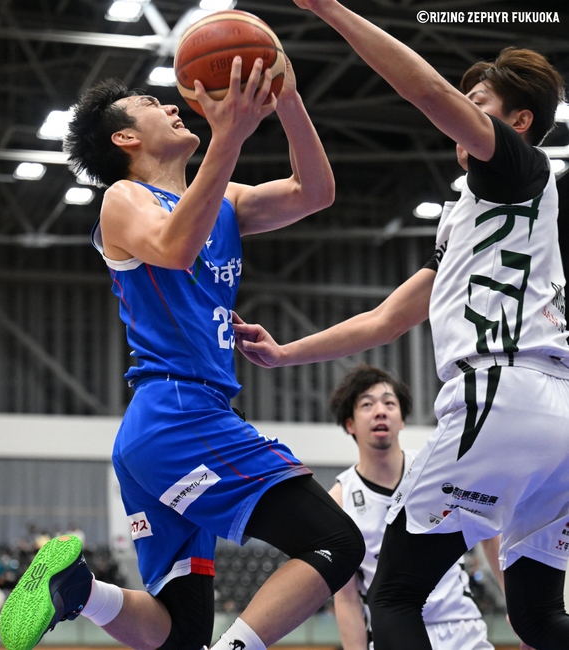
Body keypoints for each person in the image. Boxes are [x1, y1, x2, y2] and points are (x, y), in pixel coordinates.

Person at [0, 55, 365, 650]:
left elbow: (315, 192)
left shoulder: (225, 200)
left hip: (166, 431)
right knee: (336, 542)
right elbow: (174, 247)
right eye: (152, 104)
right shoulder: (124, 198)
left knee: (182, 633)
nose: (172, 104)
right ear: (125, 139)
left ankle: (78, 590)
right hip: (179, 416)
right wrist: (227, 136)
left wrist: (289, 98)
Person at [233, 3, 569, 649]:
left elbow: (427, 91)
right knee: (536, 618)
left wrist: (329, 8)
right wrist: (285, 353)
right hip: (555, 417)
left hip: (501, 392)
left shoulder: (520, 165)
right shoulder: (474, 211)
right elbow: (387, 319)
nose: (463, 112)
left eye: (479, 102)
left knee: (392, 593)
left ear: (519, 121)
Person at [328, 364, 496, 650]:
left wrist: (521, 614)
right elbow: (346, 597)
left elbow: (491, 536)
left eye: (389, 403)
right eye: (367, 404)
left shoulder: (435, 471)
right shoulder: (340, 500)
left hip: (460, 628)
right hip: (392, 634)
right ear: (350, 424)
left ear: (402, 420)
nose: (380, 412)